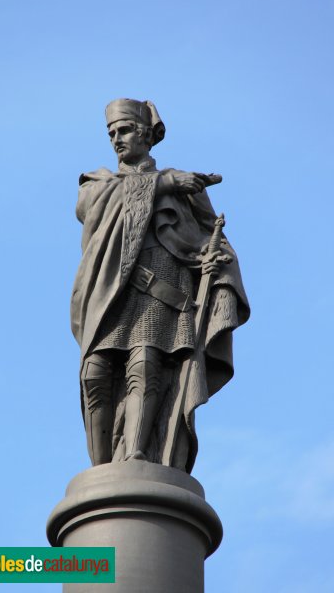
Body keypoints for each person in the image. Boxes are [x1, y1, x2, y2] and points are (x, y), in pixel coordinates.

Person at [71, 99, 249, 473]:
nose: (116, 139)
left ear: (147, 135)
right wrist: (164, 183)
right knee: (95, 374)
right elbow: (95, 211)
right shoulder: (98, 184)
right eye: (111, 133)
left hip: (164, 289)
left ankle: (136, 454)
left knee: (146, 366)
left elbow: (212, 243)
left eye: (124, 130)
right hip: (111, 291)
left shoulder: (187, 188)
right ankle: (103, 469)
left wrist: (212, 263)